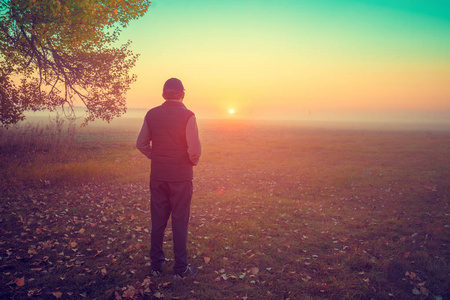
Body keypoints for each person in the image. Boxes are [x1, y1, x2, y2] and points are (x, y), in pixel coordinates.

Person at [136, 78, 201, 280]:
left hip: (158, 176)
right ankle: (180, 269)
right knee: (180, 221)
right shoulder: (188, 116)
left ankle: (156, 265)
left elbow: (141, 144)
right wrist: (190, 162)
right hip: (181, 177)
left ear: (164, 94)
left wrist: (155, 156)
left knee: (158, 221)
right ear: (183, 94)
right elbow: (195, 150)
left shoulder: (151, 114)